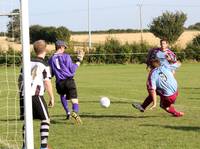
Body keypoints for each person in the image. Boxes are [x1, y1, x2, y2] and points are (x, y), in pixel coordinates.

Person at [19, 40, 55, 149]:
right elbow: (47, 81)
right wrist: (52, 97)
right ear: (46, 49)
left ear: (35, 50)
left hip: (24, 94)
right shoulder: (44, 64)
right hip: (36, 95)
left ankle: (25, 146)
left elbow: (20, 79)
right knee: (45, 119)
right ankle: (44, 146)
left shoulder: (26, 62)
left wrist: (21, 92)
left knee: (27, 120)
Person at [132, 51, 184, 117]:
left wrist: (154, 103)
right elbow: (179, 63)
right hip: (176, 91)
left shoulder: (152, 75)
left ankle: (177, 113)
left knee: (163, 106)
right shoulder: (165, 66)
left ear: (150, 65)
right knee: (158, 91)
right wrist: (171, 60)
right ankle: (142, 107)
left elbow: (152, 90)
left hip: (169, 96)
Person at [48, 40, 84, 124]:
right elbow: (72, 69)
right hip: (68, 81)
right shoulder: (66, 56)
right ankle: (74, 111)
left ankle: (67, 112)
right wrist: (79, 60)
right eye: (64, 47)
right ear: (60, 47)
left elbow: (51, 74)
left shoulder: (50, 59)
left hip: (59, 83)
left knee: (62, 95)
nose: (65, 49)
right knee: (74, 100)